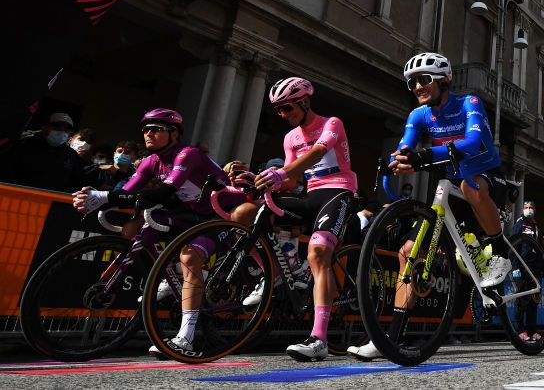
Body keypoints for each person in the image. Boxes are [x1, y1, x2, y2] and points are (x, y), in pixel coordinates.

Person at [349, 52, 511, 361]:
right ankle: (390, 338)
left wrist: (424, 156)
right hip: (447, 187)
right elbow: (406, 144)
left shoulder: (468, 103)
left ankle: (500, 252)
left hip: (484, 175)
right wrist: (397, 160)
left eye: (425, 80)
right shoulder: (419, 114)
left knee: (470, 184)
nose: (418, 86)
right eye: (412, 82)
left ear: (444, 80)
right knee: (408, 253)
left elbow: (474, 143)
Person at [71, 108, 258, 356]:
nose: (148, 134)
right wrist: (94, 198)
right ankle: (173, 278)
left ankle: (186, 338)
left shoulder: (187, 154)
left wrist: (105, 197)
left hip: (221, 214)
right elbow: (128, 191)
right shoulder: (150, 161)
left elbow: (163, 193)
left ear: (173, 134)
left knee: (190, 256)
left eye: (156, 129)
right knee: (141, 231)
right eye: (145, 129)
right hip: (190, 213)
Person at [253, 77, 362, 362]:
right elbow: (291, 179)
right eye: (278, 110)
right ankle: (272, 276)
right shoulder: (290, 138)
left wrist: (283, 173)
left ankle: (319, 339)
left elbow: (317, 152)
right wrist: (263, 181)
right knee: (250, 214)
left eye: (287, 108)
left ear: (304, 102)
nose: (283, 115)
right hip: (310, 194)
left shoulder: (331, 124)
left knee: (318, 253)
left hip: (338, 191)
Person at [0, 112, 84, 191]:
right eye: (57, 127)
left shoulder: (70, 155)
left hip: (51, 202)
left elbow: (76, 182)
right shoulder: (24, 145)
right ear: (44, 127)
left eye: (66, 130)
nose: (61, 132)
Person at [510, 200, 543, 342]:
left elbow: (540, 246)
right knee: (521, 300)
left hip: (535, 268)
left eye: (531, 207)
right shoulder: (519, 224)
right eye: (526, 207)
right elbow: (513, 246)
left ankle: (532, 330)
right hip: (521, 267)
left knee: (534, 300)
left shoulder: (536, 226)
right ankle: (519, 330)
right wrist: (515, 267)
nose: (528, 209)